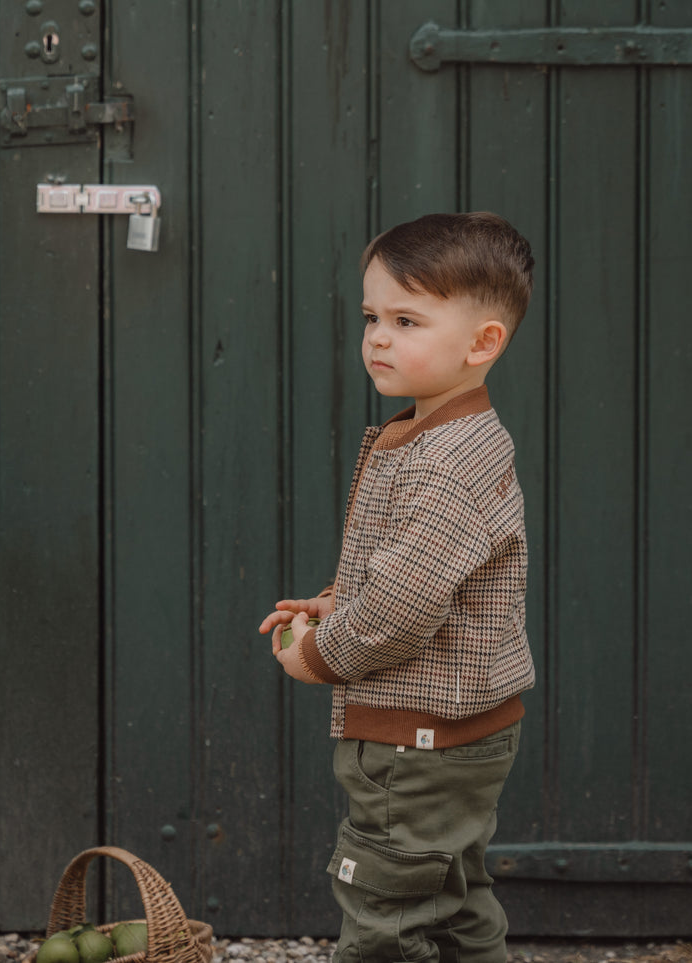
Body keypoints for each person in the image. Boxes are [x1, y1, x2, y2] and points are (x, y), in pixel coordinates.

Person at [259, 212, 536, 963]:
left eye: (406, 319)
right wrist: (334, 603)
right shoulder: (452, 433)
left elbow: (401, 609)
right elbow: (423, 575)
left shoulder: (443, 459)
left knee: (383, 903)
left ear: (482, 342)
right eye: (371, 316)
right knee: (452, 894)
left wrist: (318, 653)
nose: (378, 336)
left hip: (417, 741)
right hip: (460, 730)